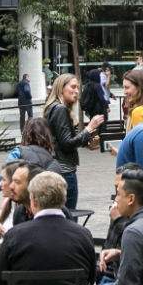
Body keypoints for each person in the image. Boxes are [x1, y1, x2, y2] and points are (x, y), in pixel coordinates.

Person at [44, 73, 105, 212]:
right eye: (73, 87)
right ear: (61, 88)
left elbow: (62, 140)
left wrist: (87, 142)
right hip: (64, 171)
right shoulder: (60, 109)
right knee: (69, 217)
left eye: (78, 87)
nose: (77, 91)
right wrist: (89, 128)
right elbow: (66, 143)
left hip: (58, 169)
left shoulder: (54, 108)